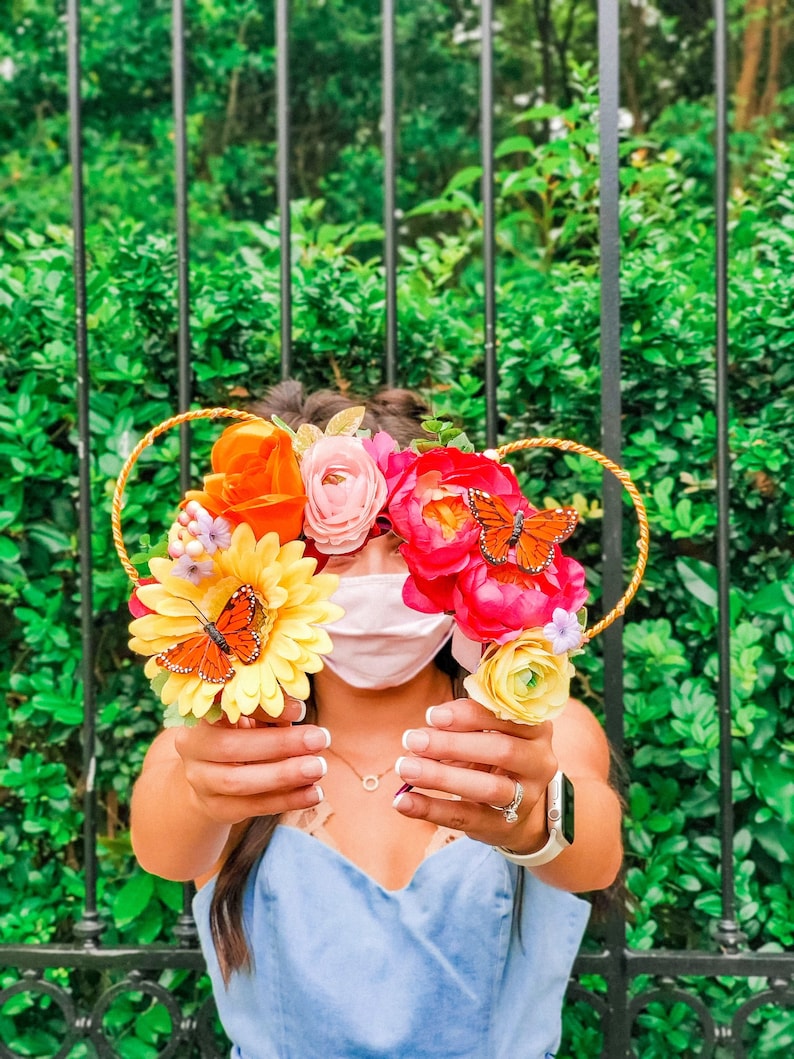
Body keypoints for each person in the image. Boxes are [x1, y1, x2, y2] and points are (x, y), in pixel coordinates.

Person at [130, 380, 623, 1059]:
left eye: (397, 539)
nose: (369, 572)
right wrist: (196, 789)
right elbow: (165, 845)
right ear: (274, 565)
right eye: (333, 544)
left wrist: (539, 816)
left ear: (458, 551)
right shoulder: (227, 742)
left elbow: (595, 857)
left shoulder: (539, 730)